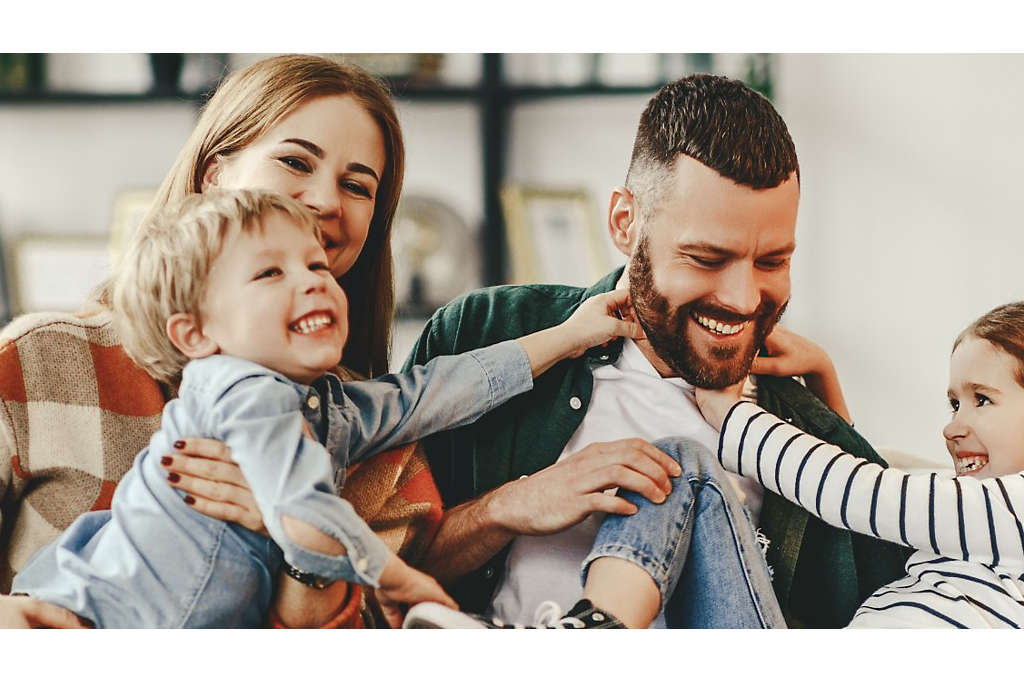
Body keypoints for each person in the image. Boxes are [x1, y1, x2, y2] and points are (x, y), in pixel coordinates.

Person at [402, 73, 911, 629]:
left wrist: (830, 413)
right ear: (626, 223)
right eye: (706, 258)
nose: (742, 299)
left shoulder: (806, 434)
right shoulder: (486, 334)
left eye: (772, 262)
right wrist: (507, 508)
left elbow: (894, 607)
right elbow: (373, 572)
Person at [9, 189, 640, 628]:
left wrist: (571, 334)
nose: (312, 279)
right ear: (196, 335)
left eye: (314, 263)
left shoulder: (325, 405)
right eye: (269, 274)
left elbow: (435, 391)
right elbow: (304, 516)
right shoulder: (238, 389)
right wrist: (403, 581)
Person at [0, 54, 422, 628]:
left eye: (356, 186)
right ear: (214, 175)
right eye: (295, 161)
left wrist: (293, 535)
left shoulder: (377, 432)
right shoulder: (37, 360)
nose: (326, 201)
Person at [689, 301, 1024, 627]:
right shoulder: (980, 515)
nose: (951, 428)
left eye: (982, 399)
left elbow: (861, 494)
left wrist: (732, 417)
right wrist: (821, 373)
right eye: (954, 404)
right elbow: (871, 520)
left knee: (686, 467)